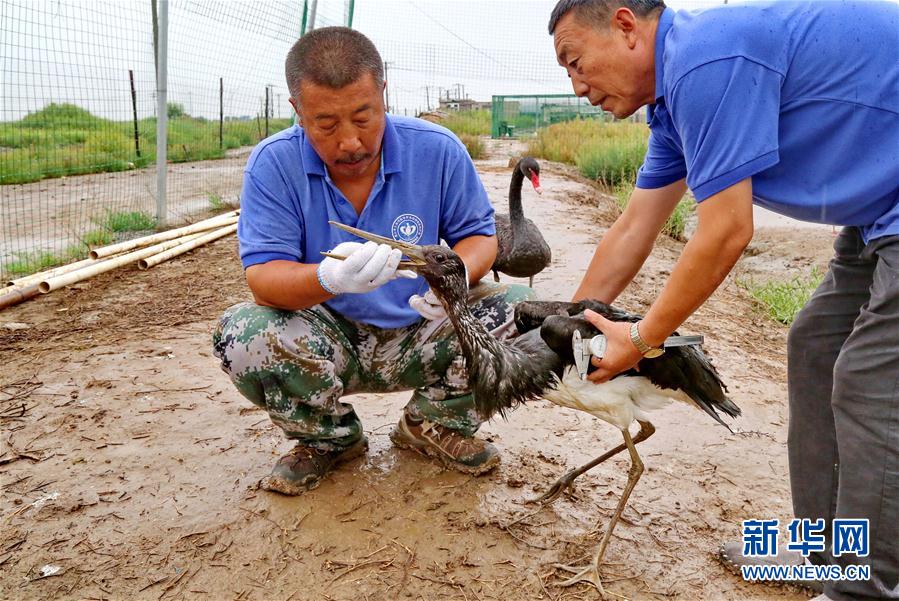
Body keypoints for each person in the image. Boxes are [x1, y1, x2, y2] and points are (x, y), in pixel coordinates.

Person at [547, 1, 898, 599]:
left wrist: (640, 338)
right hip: (877, 213)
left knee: (870, 378)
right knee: (814, 346)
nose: (578, 87)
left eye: (576, 63)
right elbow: (635, 227)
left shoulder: (705, 59)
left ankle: (867, 588)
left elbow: (727, 232)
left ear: (627, 26)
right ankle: (827, 550)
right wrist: (564, 327)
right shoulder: (674, 108)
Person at [213, 27, 532, 496]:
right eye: (325, 124)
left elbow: (479, 237)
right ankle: (328, 438)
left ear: (384, 93)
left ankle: (434, 423)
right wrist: (331, 277)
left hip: (424, 327)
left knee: (519, 309)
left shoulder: (438, 150)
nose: (350, 143)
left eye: (365, 117)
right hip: (328, 335)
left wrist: (456, 280)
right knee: (242, 335)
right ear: (297, 111)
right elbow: (263, 279)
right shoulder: (272, 164)